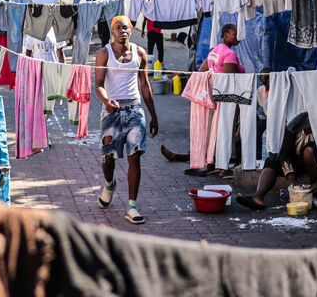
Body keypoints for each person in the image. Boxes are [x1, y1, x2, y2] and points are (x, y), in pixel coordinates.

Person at [95, 15, 159, 224]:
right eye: (118, 28)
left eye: (126, 28)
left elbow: (145, 85)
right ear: (112, 31)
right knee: (108, 158)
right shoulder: (104, 54)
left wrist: (153, 116)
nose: (122, 31)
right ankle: (109, 184)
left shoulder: (140, 53)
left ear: (131, 30)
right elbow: (98, 84)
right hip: (111, 111)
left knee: (135, 157)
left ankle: (132, 207)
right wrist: (107, 101)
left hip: (134, 110)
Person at [160, 24, 243, 177]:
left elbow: (201, 72)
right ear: (226, 35)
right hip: (224, 102)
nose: (239, 36)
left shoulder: (215, 51)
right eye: (235, 33)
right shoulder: (230, 54)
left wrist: (210, 83)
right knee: (221, 133)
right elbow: (228, 82)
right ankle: (219, 166)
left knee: (211, 134)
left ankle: (207, 163)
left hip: (211, 98)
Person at [236, 112, 317, 210]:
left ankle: (315, 194)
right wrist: (292, 178)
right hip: (296, 162)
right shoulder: (297, 122)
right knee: (272, 161)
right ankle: (258, 197)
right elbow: (284, 152)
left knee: (308, 151)